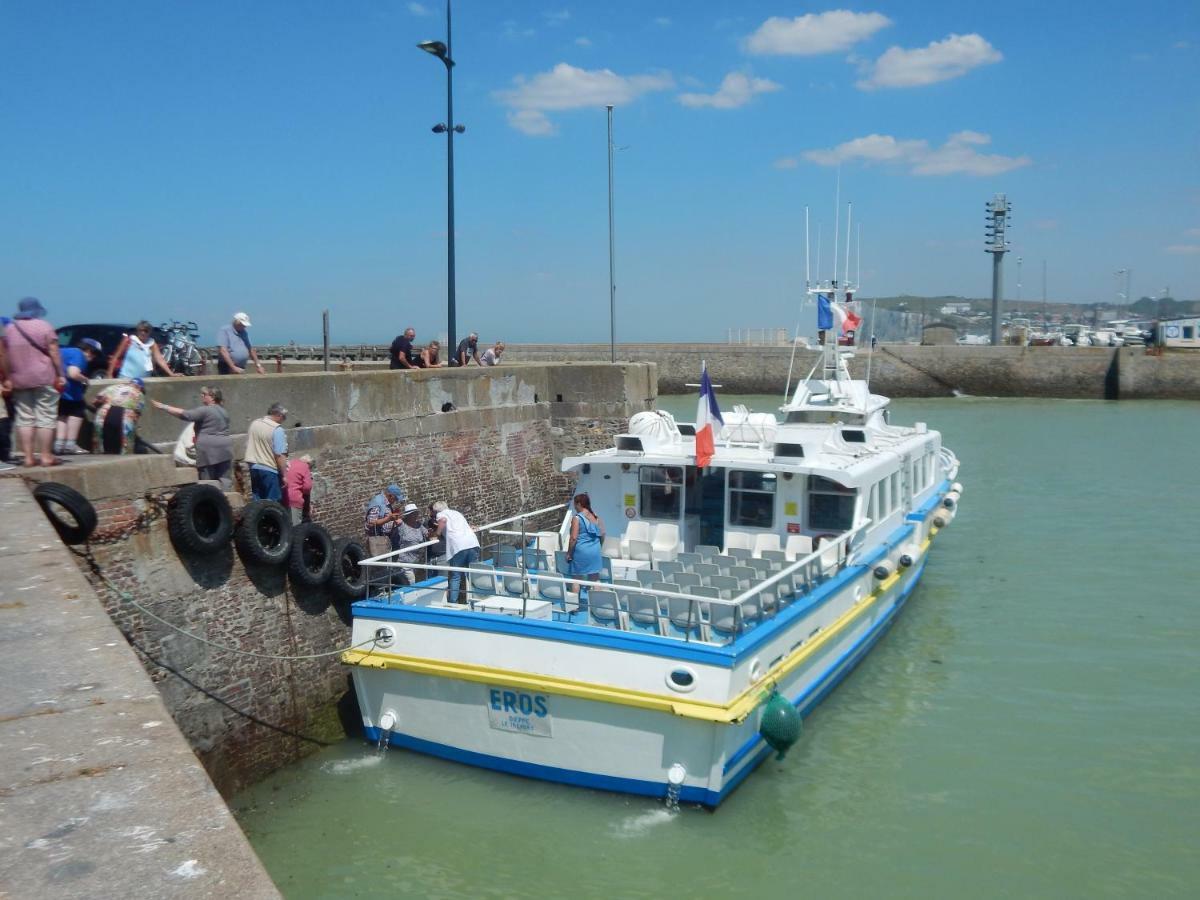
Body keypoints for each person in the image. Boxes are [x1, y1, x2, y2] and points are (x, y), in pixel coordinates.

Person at [3, 298, 66, 467]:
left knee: (25, 418)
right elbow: (54, 352)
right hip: (44, 377)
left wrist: (9, 377)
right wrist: (60, 374)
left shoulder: (9, 329)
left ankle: (28, 458)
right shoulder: (44, 326)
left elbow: (5, 357)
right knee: (46, 416)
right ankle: (46, 456)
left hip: (19, 379)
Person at [151, 386, 235, 488]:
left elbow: (186, 415)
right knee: (225, 479)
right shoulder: (224, 412)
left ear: (212, 397)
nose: (202, 396)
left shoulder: (205, 410)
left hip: (208, 451)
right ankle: (227, 500)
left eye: (204, 395)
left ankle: (209, 502)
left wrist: (164, 407)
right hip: (226, 449)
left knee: (208, 482)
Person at [55, 337, 102, 455]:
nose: (93, 357)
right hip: (70, 393)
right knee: (77, 413)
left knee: (62, 415)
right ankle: (70, 445)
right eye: (94, 354)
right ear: (88, 350)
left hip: (60, 392)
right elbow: (73, 373)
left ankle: (59, 444)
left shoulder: (65, 351)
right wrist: (85, 379)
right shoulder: (78, 355)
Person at [433, 500, 480, 604]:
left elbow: (443, 521)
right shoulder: (457, 513)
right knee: (472, 574)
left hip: (458, 546)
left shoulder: (441, 514)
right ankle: (476, 598)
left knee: (455, 576)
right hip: (472, 543)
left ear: (436, 510)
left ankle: (453, 602)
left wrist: (437, 533)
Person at [244, 402, 288, 500]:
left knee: (258, 503)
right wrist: (284, 475)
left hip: (254, 467)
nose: (284, 420)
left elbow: (248, 444)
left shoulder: (255, 423)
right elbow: (279, 455)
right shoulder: (277, 429)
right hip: (269, 469)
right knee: (273, 503)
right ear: (279, 415)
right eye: (284, 417)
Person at [91, 378, 146, 455]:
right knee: (126, 451)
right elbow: (136, 417)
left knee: (99, 448)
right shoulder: (139, 394)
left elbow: (94, 402)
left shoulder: (112, 387)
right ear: (140, 387)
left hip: (103, 415)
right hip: (124, 419)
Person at [566, 492, 605, 598]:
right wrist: (599, 546)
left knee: (576, 580)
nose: (574, 506)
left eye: (575, 504)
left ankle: (574, 606)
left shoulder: (577, 518)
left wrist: (569, 553)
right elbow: (603, 534)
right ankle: (597, 605)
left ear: (579, 504)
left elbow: (573, 538)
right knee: (595, 579)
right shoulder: (595, 516)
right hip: (595, 551)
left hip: (581, 552)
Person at [109, 321, 179, 379]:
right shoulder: (129, 340)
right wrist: (109, 374)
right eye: (141, 330)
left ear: (149, 332)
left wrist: (171, 374)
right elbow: (116, 357)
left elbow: (160, 359)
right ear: (137, 331)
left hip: (144, 380)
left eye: (146, 331)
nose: (143, 333)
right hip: (126, 377)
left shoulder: (151, 343)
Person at [391, 503, 429, 585]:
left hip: (416, 560)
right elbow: (393, 519)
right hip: (404, 561)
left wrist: (431, 533)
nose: (416, 515)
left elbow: (427, 533)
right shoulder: (401, 524)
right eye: (414, 514)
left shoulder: (418, 524)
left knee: (414, 580)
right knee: (411, 581)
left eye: (416, 513)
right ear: (408, 515)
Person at [364, 484, 406, 557]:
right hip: (379, 540)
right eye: (395, 499)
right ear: (390, 495)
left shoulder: (385, 502)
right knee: (381, 564)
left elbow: (384, 517)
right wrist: (389, 519)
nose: (396, 501)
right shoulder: (378, 503)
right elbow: (371, 523)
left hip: (387, 538)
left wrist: (394, 520)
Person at [284, 454, 314, 524]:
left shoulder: (291, 463)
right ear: (308, 464)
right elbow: (307, 487)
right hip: (294, 500)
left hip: (283, 498)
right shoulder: (305, 466)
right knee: (295, 528)